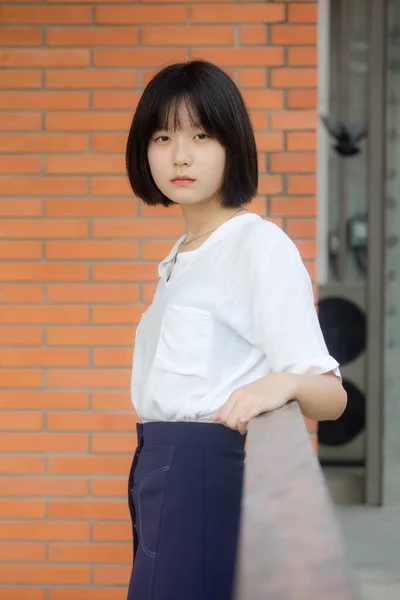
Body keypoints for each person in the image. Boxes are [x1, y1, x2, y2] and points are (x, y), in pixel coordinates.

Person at [125, 60, 347, 600]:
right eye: (163, 136)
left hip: (204, 476)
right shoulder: (180, 256)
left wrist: (285, 384)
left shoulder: (257, 246)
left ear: (232, 145)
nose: (180, 155)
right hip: (156, 469)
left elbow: (332, 397)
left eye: (201, 135)